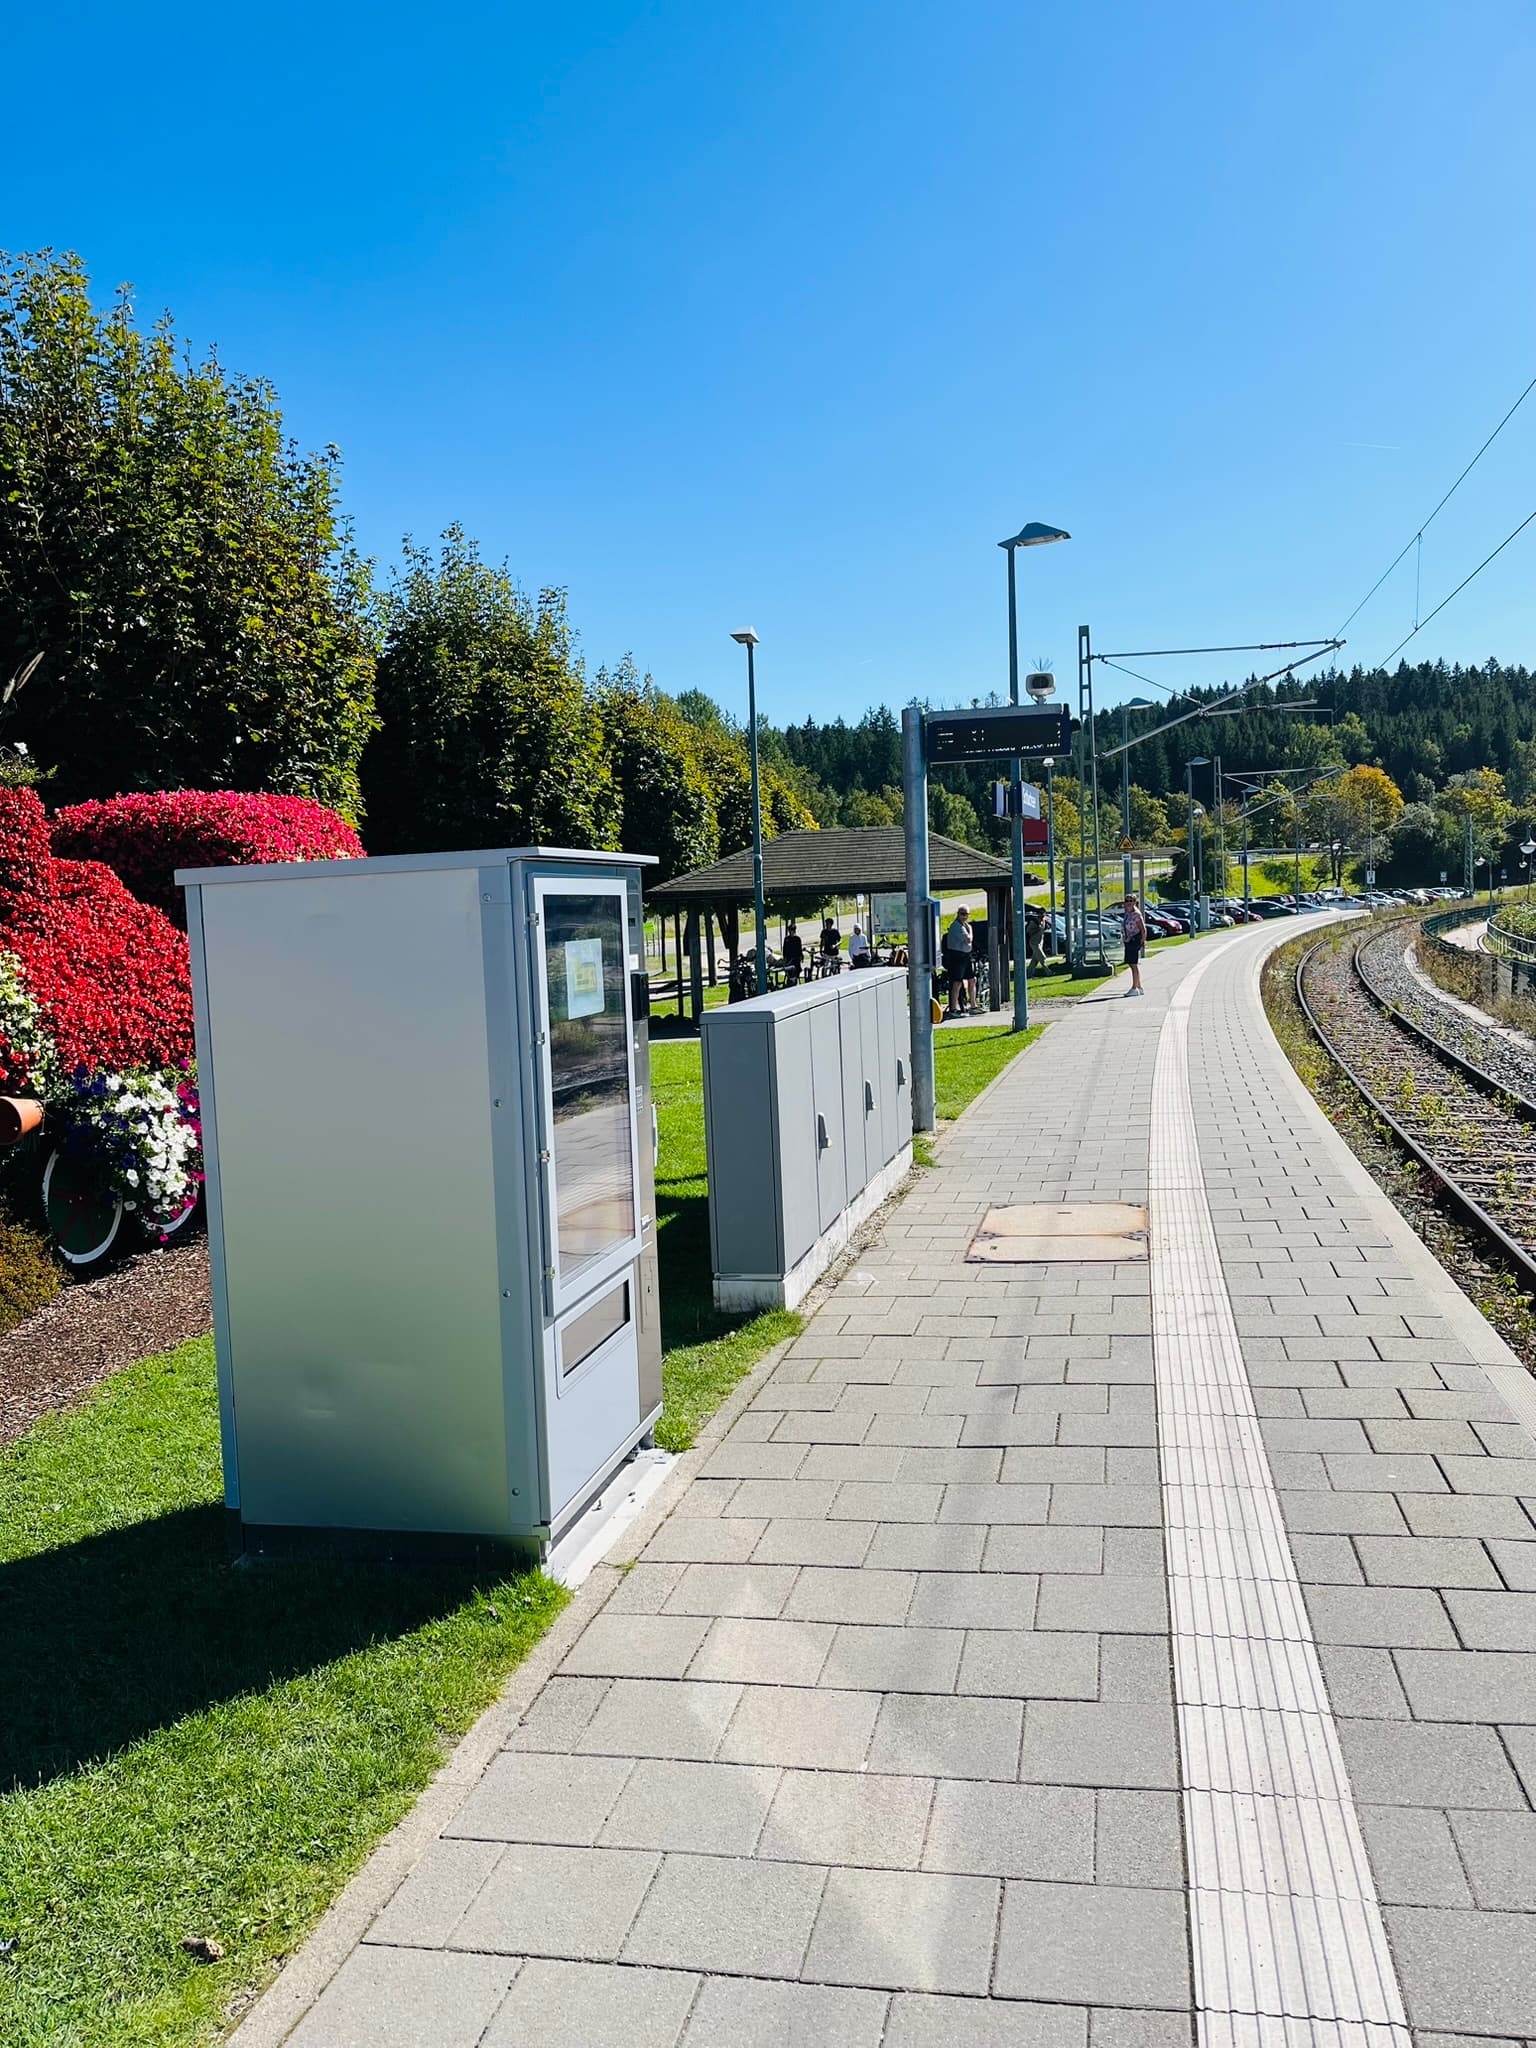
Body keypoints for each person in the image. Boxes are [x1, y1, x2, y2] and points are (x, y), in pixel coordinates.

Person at [943, 905, 975, 1015]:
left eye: (966, 914)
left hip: (966, 955)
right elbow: (968, 939)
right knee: (957, 982)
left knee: (972, 980)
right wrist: (970, 929)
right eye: (962, 914)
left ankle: (973, 1006)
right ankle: (953, 1008)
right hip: (957, 956)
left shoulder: (964, 925)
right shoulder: (956, 926)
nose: (964, 916)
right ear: (958, 914)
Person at [1122, 893, 1147, 996]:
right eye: (1127, 901)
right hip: (1128, 940)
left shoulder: (1136, 914)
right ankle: (1139, 987)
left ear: (1135, 902)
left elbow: (1143, 929)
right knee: (1131, 963)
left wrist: (1143, 941)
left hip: (1134, 940)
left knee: (1133, 964)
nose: (1128, 903)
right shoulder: (1128, 913)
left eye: (1131, 901)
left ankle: (1134, 987)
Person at [781, 919, 804, 985]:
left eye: (793, 930)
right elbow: (784, 949)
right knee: (789, 972)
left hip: (796, 959)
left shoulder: (797, 939)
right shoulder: (787, 939)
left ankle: (795, 981)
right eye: (790, 930)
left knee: (796, 971)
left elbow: (799, 949)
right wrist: (785, 958)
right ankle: (790, 981)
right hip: (789, 959)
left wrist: (801, 956)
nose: (791, 931)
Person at [1025, 901, 1046, 970]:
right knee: (1042, 957)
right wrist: (1037, 929)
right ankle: (1048, 971)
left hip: (1040, 941)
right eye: (1041, 913)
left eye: (1043, 913)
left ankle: (1029, 972)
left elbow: (1043, 928)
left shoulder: (1043, 920)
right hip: (1034, 942)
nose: (1042, 915)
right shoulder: (1034, 921)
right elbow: (1028, 930)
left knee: (1035, 959)